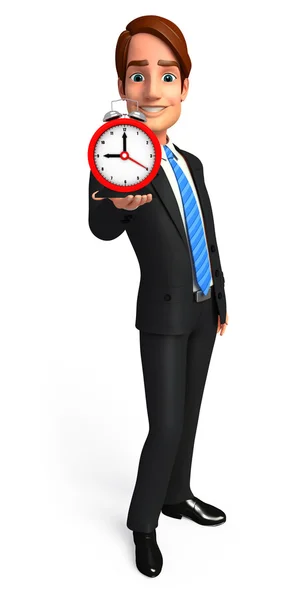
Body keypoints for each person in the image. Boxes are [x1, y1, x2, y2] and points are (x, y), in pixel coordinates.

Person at [88, 14, 229, 578]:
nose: (151, 90)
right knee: (165, 424)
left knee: (189, 416)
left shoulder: (191, 163)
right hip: (163, 315)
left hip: (202, 308)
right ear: (122, 88)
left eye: (166, 76)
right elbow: (101, 222)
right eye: (137, 75)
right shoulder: (117, 156)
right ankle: (143, 523)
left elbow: (207, 230)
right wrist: (116, 205)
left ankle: (177, 495)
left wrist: (220, 298)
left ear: (184, 87)